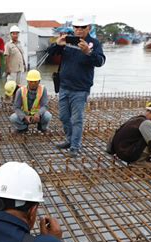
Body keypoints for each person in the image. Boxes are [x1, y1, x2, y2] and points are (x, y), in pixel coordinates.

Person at [49, 16, 106, 157]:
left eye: (82, 27)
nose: (79, 30)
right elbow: (50, 54)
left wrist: (88, 52)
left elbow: (100, 61)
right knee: (63, 117)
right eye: (76, 27)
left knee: (77, 119)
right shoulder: (67, 40)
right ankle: (69, 140)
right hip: (64, 86)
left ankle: (75, 146)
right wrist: (57, 44)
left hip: (80, 89)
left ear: (89, 28)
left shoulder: (94, 43)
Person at [106, 101, 151, 168]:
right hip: (128, 155)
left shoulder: (134, 119)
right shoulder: (147, 123)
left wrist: (110, 150)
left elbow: (116, 133)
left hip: (119, 152)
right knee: (149, 139)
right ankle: (139, 163)